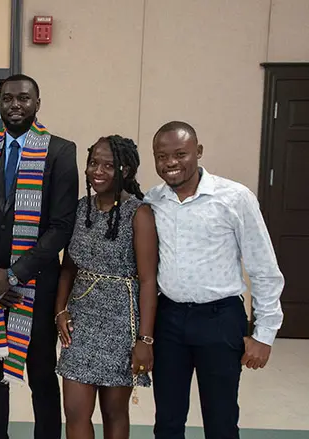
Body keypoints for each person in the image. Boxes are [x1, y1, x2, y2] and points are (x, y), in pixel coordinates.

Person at [146, 121, 285, 439]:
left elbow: (263, 267)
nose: (170, 163)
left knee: (221, 420)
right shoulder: (153, 201)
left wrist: (264, 334)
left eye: (180, 153)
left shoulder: (235, 198)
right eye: (161, 155)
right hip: (168, 320)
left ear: (199, 152)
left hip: (220, 319)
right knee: (167, 420)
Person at [0, 73, 79, 439]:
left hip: (36, 287)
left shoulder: (59, 151)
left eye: (23, 98)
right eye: (8, 98)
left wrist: (12, 275)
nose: (15, 105)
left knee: (41, 374)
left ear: (37, 104)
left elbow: (61, 226)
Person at [54, 135, 158, 439]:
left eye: (108, 165)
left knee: (114, 412)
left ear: (125, 170)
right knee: (74, 411)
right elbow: (68, 268)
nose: (97, 171)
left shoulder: (139, 213)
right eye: (93, 163)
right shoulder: (81, 208)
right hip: (81, 321)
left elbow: (149, 280)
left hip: (120, 326)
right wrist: (60, 310)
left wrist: (145, 339)